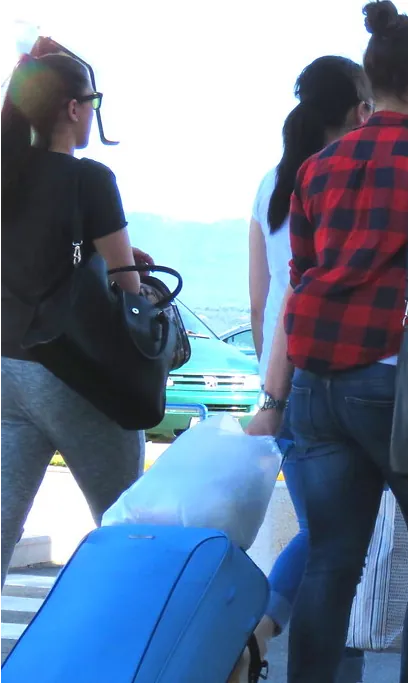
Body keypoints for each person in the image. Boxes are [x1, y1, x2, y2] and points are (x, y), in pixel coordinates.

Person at [245, 2, 408, 681]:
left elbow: (296, 284)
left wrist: (277, 393)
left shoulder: (316, 170)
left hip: (320, 386)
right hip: (405, 385)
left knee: (330, 558)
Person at [244, 55, 373, 680]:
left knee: (333, 536)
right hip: (325, 376)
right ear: (354, 111)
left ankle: (265, 636)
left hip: (281, 379)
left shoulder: (270, 184)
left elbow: (260, 299)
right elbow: (298, 293)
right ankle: (258, 632)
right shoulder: (343, 182)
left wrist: (268, 390)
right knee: (334, 536)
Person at [0, 52, 146, 596]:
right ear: (73, 108)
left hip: (5, 370)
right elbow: (128, 284)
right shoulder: (89, 179)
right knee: (126, 519)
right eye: (92, 103)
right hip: (68, 371)